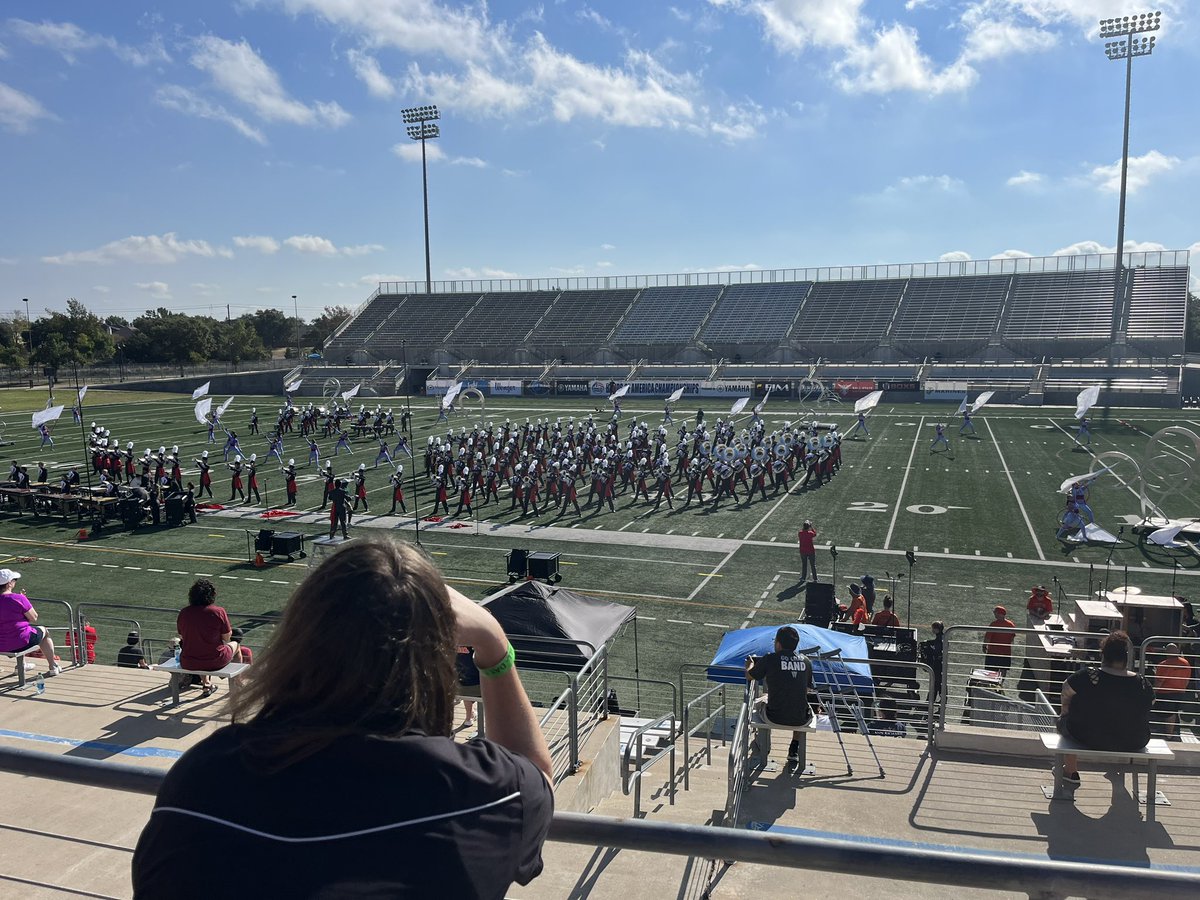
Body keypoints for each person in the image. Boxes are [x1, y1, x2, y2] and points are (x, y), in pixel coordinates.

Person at [133, 539, 554, 898]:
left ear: (298, 641)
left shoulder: (201, 780)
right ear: (431, 659)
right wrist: (495, 647)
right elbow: (534, 776)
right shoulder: (478, 790)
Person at [1056, 630, 1154, 787]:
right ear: (1126, 658)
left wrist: (1066, 711)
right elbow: (1150, 704)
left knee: (1064, 721)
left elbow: (1066, 691)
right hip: (1134, 740)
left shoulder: (1088, 676)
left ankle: (1070, 770)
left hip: (1089, 737)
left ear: (1103, 655)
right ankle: (1118, 780)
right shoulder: (1142, 683)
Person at [746, 626, 814, 766]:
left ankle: (763, 743)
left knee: (760, 701)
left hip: (773, 717)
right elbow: (806, 689)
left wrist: (750, 665)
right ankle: (794, 748)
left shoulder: (770, 659)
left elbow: (750, 676)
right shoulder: (806, 661)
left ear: (778, 643)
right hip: (802, 719)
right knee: (797, 703)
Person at [176, 579, 239, 698]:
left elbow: (182, 636)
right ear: (212, 595)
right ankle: (237, 682)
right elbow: (227, 637)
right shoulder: (218, 612)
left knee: (199, 647)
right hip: (215, 660)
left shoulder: (184, 612)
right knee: (236, 645)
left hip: (189, 661)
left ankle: (206, 684)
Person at [0, 569, 62, 676]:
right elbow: (34, 617)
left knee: (19, 631)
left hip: (1, 644)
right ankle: (52, 666)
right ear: (9, 584)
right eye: (14, 580)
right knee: (43, 631)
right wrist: (23, 599)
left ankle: (22, 665)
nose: (15, 582)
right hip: (20, 641)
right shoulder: (19, 598)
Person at [1152, 643, 1191, 738]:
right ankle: (1173, 732)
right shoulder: (1186, 663)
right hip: (1180, 692)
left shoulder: (1164, 664)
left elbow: (1159, 682)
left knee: (1168, 714)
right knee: (1173, 713)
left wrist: (1151, 693)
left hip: (1165, 693)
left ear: (1166, 652)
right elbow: (1186, 680)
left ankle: (1168, 735)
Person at [982, 606, 1016, 677]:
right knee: (1003, 670)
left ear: (999, 614)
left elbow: (987, 638)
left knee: (990, 670)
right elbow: (1012, 638)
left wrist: (984, 646)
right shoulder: (1011, 625)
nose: (995, 614)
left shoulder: (994, 624)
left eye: (996, 613)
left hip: (993, 652)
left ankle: (991, 684)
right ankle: (1000, 684)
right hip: (1006, 653)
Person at [919, 621, 945, 704]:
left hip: (938, 664)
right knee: (938, 682)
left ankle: (930, 700)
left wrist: (928, 647)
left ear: (937, 629)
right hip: (940, 664)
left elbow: (936, 650)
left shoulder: (940, 639)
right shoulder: (943, 637)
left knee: (935, 682)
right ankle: (938, 699)